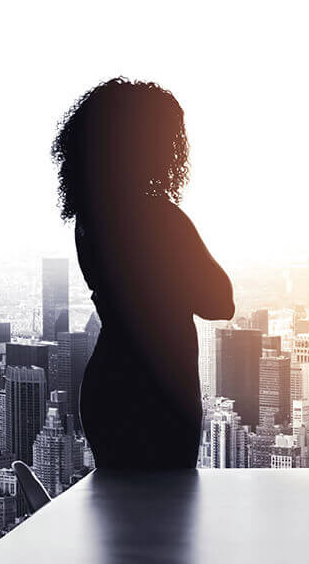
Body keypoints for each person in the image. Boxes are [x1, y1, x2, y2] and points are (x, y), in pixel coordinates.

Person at [51, 77, 234, 468]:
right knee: (168, 515)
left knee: (121, 517)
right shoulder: (160, 218)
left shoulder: (88, 219)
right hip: (161, 389)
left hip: (109, 383)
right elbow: (221, 301)